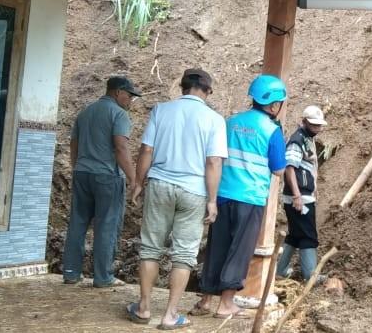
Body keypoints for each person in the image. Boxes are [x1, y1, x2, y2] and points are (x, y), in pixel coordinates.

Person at [125, 69, 227, 329]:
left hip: (160, 185)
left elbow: (147, 149)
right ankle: (170, 314)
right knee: (183, 254)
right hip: (194, 191)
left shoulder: (161, 110)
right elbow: (214, 161)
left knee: (150, 247)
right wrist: (212, 200)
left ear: (182, 87)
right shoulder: (215, 119)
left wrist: (138, 182)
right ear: (208, 91)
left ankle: (144, 308)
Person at [194, 74, 288, 319]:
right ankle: (226, 304)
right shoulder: (272, 131)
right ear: (275, 104)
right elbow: (278, 169)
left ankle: (205, 300)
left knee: (217, 247)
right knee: (240, 250)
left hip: (223, 194)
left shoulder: (230, 122)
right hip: (250, 198)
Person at [62, 76, 140, 288]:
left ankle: (70, 272)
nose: (130, 100)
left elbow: (74, 144)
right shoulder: (118, 114)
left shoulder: (85, 113)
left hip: (82, 173)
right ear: (117, 92)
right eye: (129, 95)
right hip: (107, 177)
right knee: (107, 225)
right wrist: (134, 178)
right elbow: (121, 148)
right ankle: (103, 277)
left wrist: (77, 167)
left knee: (78, 223)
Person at [275, 105, 327, 282]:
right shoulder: (297, 140)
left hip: (303, 194)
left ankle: (280, 270)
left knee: (295, 234)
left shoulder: (306, 139)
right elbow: (290, 168)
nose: (317, 129)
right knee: (308, 235)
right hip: (299, 197)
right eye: (314, 125)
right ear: (304, 122)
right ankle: (310, 275)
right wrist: (297, 195)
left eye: (319, 126)